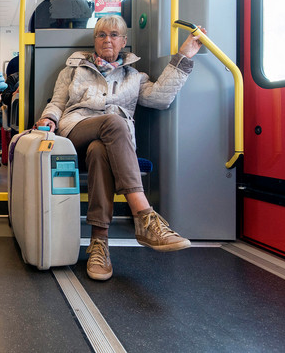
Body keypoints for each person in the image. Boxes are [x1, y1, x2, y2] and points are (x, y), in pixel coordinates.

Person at [35, 14, 204, 281]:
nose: (107, 40)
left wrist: (184, 56)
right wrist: (48, 118)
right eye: (102, 35)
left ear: (124, 41)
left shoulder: (134, 76)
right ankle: (145, 216)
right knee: (114, 122)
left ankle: (99, 244)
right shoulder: (73, 70)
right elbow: (57, 102)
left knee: (100, 152)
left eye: (114, 35)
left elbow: (160, 98)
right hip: (76, 128)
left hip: (110, 144)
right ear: (95, 40)